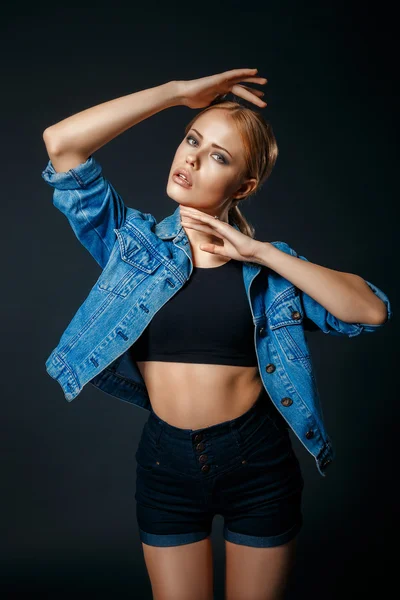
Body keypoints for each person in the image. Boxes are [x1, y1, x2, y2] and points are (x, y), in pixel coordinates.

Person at [42, 68, 392, 600]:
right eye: (192, 140)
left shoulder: (272, 274)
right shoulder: (133, 247)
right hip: (165, 462)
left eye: (218, 157)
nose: (192, 158)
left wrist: (262, 252)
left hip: (257, 461)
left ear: (244, 186)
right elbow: (61, 145)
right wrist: (177, 95)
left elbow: (369, 311)